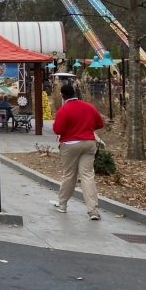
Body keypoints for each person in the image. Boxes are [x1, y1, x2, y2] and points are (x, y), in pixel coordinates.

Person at [49, 83, 104, 220]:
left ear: (62, 95)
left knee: (69, 175)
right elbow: (100, 124)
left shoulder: (64, 110)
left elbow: (58, 130)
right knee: (87, 176)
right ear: (75, 93)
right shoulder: (89, 107)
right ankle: (93, 210)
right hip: (89, 143)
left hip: (70, 144)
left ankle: (62, 204)